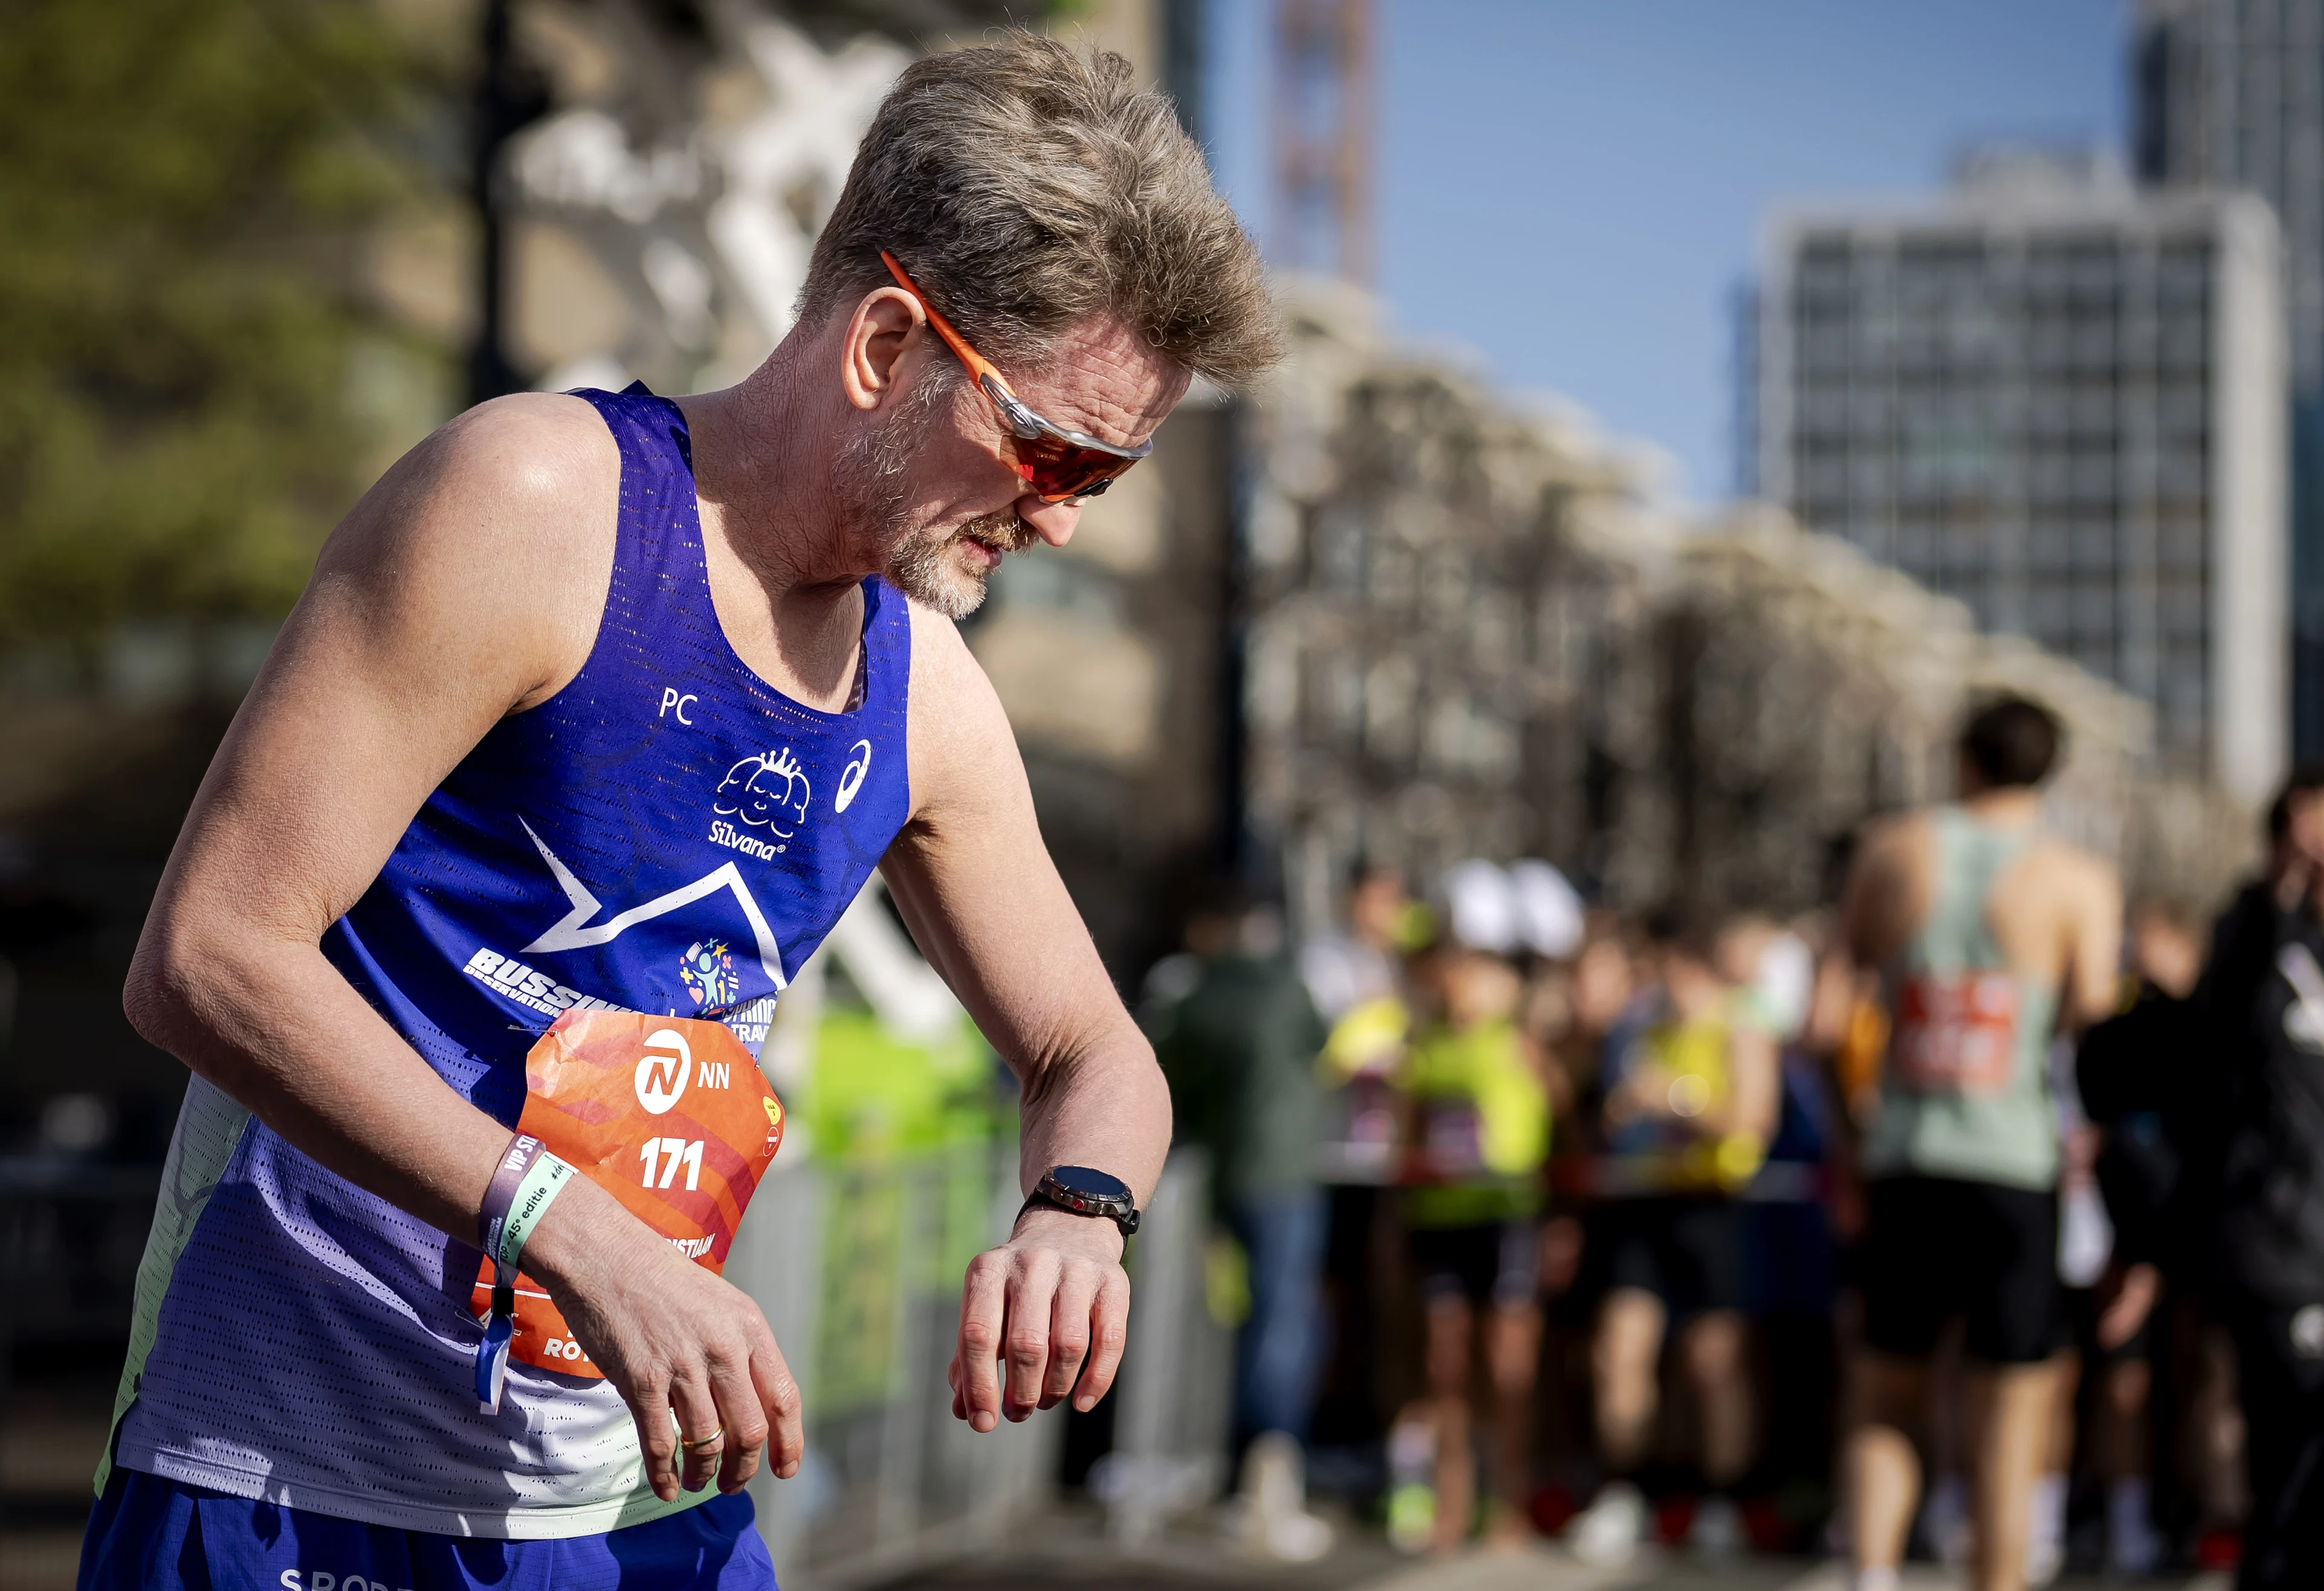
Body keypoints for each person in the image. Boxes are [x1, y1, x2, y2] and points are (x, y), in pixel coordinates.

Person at [79, 34, 1279, 1589]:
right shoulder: (532, 505)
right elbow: (209, 955)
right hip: (293, 1480)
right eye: (1049, 448)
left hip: (638, 1515)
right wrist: (571, 1232)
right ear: (886, 345)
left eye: (1102, 481)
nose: (1056, 513)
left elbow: (1090, 1049)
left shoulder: (925, 696)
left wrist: (1078, 1209)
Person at [1831, 696, 2121, 1591]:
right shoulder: (2076, 878)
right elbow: (2091, 1022)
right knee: (2012, 1412)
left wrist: (1855, 1135)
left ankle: (1873, 1574)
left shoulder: (1895, 850)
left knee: (1888, 1390)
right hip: (2014, 1160)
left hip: (1910, 1154)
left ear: (1965, 761)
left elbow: (1831, 1007)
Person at [1566, 910, 1781, 1567]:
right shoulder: (1642, 1027)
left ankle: (1721, 1498)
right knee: (1619, 1348)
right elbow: (1611, 1110)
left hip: (1713, 1206)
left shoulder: (1740, 1029)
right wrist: (1626, 1108)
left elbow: (1752, 1121)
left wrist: (1675, 1103)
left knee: (1714, 1362)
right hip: (1644, 1201)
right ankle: (1624, 1488)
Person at [1148, 882, 1335, 1563]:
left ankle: (1245, 1475)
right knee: (1281, 1326)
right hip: (1285, 1179)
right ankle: (1268, 1477)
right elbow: (1319, 1047)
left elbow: (1178, 1078)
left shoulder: (1194, 999)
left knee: (1237, 1322)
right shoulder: (1285, 987)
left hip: (1223, 1181)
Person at [2196, 763, 2324, 1589]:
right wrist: (2276, 896)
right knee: (2291, 1449)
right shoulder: (2257, 944)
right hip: (2282, 1241)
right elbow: (2210, 1037)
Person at [1385, 944, 1553, 1554]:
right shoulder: (1424, 1046)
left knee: (1508, 1368)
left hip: (1507, 1219)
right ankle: (1451, 1504)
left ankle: (1509, 1503)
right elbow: (1406, 1133)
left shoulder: (1519, 1044)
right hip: (1440, 1220)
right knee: (1445, 1364)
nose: (1463, 991)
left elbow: (1560, 1124)